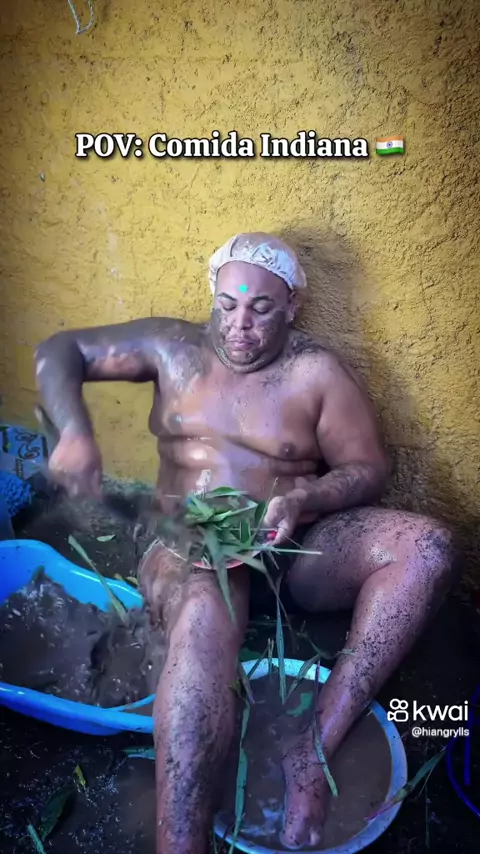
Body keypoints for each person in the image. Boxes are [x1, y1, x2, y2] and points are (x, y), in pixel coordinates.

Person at [35, 233, 457, 853]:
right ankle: (181, 843)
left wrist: (303, 498)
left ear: (292, 305)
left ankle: (312, 746)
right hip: (186, 545)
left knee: (429, 549)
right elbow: (59, 351)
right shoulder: (172, 347)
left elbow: (368, 469)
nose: (240, 326)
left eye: (260, 309)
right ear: (213, 296)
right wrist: (72, 431)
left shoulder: (316, 374)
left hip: (289, 549)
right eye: (227, 306)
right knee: (204, 611)